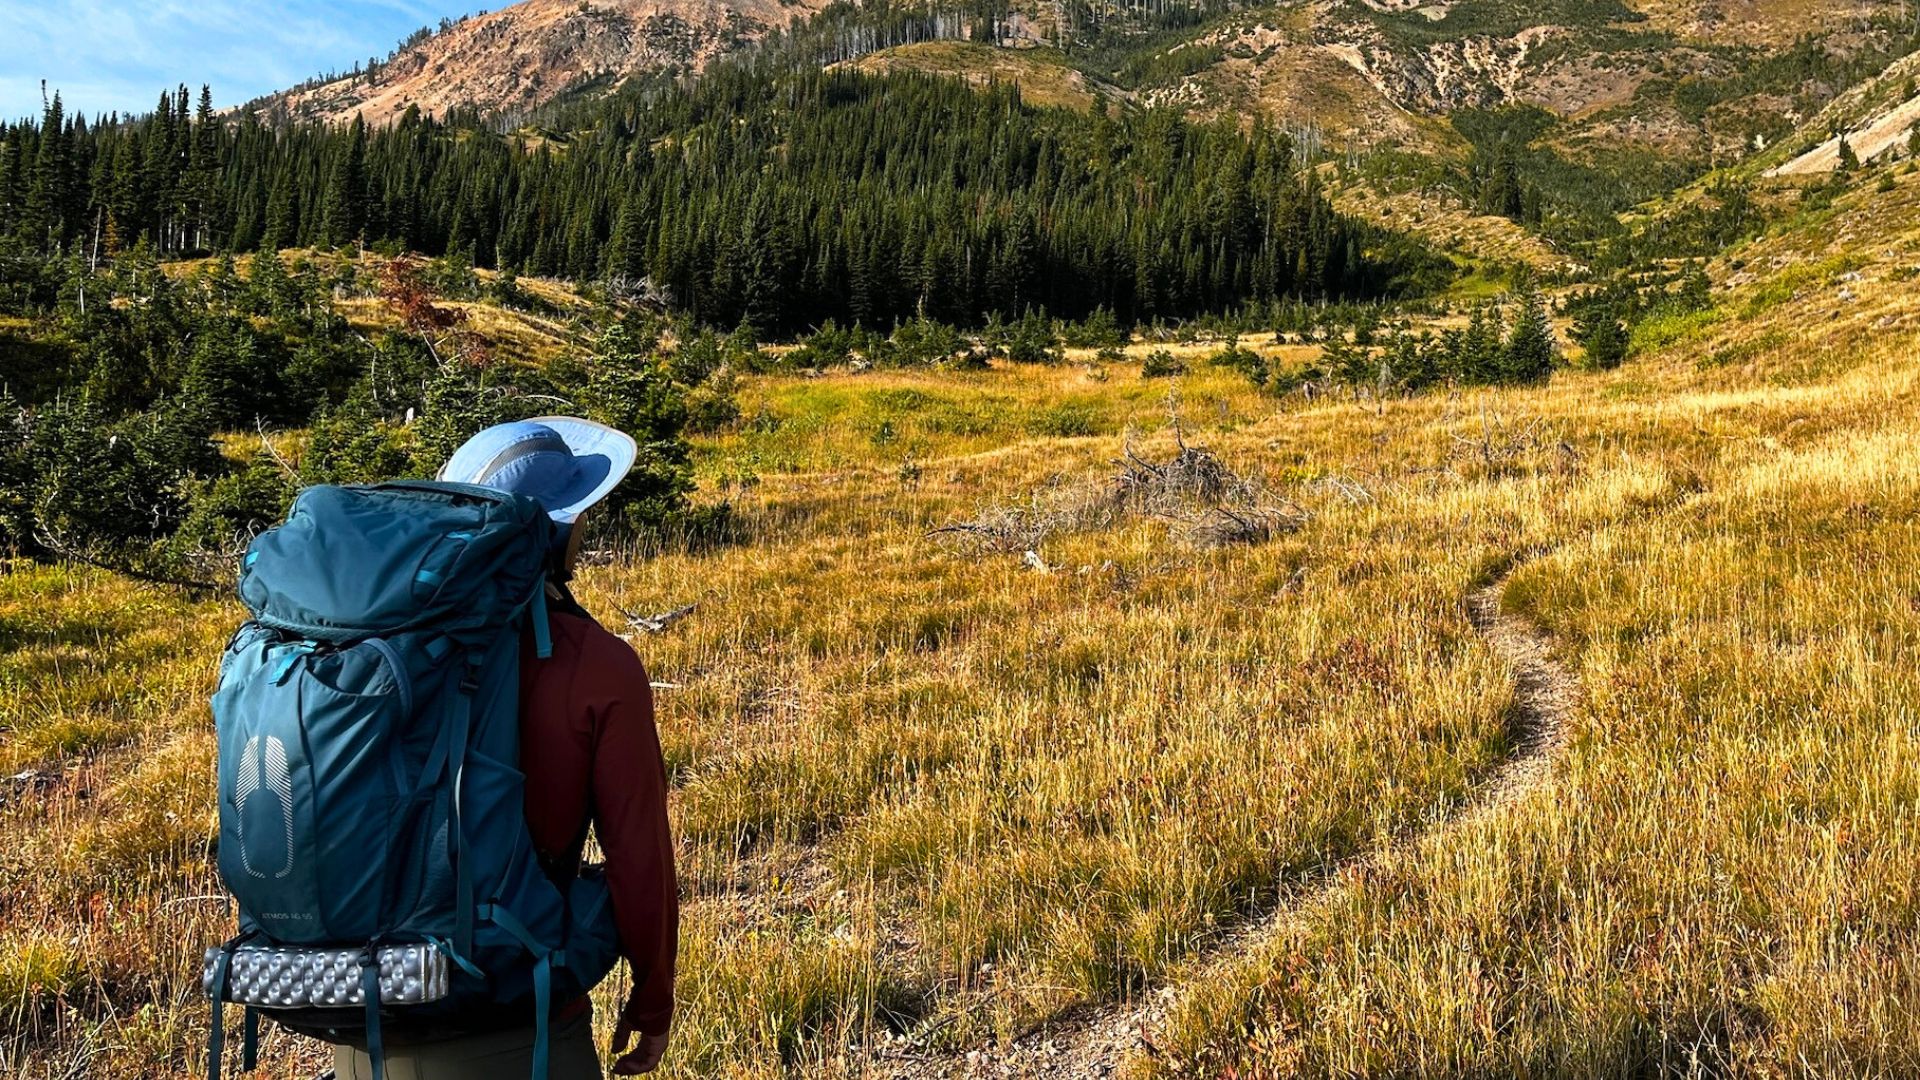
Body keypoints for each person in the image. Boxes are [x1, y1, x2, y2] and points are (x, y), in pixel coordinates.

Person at [329, 418, 678, 1079]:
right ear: (556, 530)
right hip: (524, 1019)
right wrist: (653, 998)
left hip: (366, 1020)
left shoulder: (370, 646)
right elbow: (640, 859)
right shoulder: (598, 666)